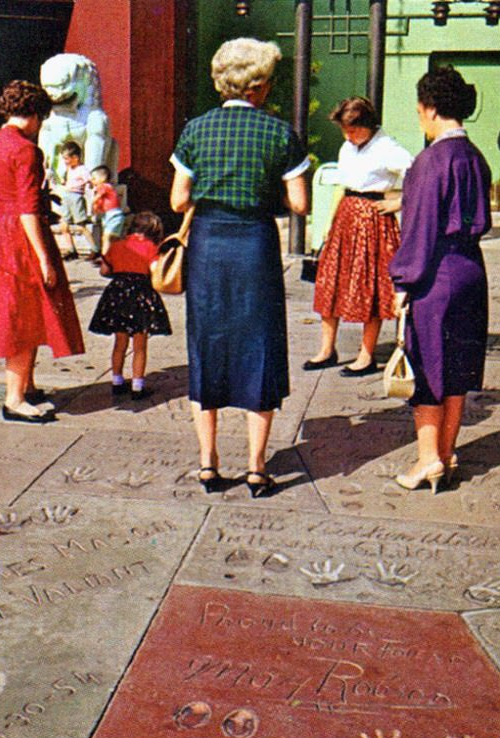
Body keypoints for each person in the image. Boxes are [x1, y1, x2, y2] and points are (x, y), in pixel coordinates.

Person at [170, 38, 309, 498]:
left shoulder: (196, 130)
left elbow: (178, 200)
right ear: (258, 86)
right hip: (255, 245)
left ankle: (208, 464)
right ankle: (255, 467)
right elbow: (299, 203)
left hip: (208, 246)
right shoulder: (279, 133)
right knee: (259, 345)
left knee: (207, 344)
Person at [389, 66, 491, 493]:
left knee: (427, 365)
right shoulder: (476, 157)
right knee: (458, 368)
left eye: (419, 112)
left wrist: (403, 281)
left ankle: (428, 458)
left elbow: (420, 228)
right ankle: (446, 455)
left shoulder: (430, 162)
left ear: (430, 109)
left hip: (437, 274)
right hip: (471, 269)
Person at [0, 80, 85, 424]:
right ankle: (15, 399)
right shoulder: (25, 150)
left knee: (22, 312)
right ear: (35, 114)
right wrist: (43, 257)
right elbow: (27, 209)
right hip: (22, 238)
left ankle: (28, 383)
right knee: (24, 316)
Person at [305, 96, 412, 376]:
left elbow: (418, 177)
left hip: (372, 220)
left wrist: (398, 202)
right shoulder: (347, 147)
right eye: (345, 131)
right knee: (331, 282)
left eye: (353, 130)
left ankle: (366, 356)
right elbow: (342, 186)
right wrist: (327, 227)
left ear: (368, 125)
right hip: (345, 218)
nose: (348, 136)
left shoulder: (388, 148)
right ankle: (326, 350)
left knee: (371, 286)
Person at [88, 211, 171, 401]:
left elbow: (104, 270)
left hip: (117, 293)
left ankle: (117, 381)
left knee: (120, 342)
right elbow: (155, 272)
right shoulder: (152, 248)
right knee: (140, 345)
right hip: (141, 294)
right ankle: (137, 385)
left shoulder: (116, 246)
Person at [57, 141, 94, 259]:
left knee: (81, 225)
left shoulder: (82, 169)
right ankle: (71, 249)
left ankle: (95, 248)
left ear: (75, 158)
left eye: (67, 159)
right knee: (64, 224)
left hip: (76, 197)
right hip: (67, 196)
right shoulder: (69, 169)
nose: (65, 162)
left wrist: (91, 186)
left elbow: (90, 180)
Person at [89, 165, 124, 254]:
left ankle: (105, 257)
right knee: (111, 238)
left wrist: (92, 202)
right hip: (108, 215)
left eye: (94, 178)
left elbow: (98, 197)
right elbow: (100, 204)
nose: (92, 180)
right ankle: (113, 256)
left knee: (107, 237)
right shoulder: (101, 188)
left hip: (113, 215)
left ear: (103, 178)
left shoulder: (104, 186)